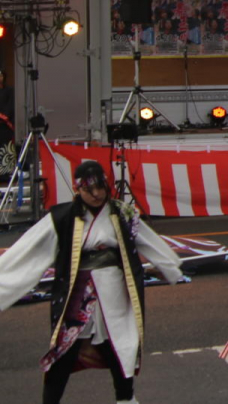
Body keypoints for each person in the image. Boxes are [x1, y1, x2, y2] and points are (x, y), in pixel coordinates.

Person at [0, 160, 183, 404]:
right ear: (78, 190)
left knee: (121, 348)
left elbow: (148, 241)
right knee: (65, 350)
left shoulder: (122, 212)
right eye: (89, 189)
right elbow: (28, 251)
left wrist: (169, 267)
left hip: (115, 291)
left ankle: (126, 400)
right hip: (78, 294)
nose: (97, 194)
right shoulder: (63, 216)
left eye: (100, 187)